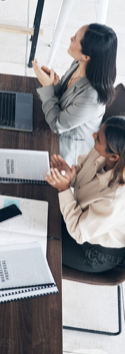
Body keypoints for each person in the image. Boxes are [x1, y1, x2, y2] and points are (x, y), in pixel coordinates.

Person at [46, 116, 125, 273]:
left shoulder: (115, 199)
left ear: (114, 156)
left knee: (39, 245)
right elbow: (81, 174)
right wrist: (69, 175)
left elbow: (79, 231)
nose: (93, 135)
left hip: (94, 250)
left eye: (98, 139)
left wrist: (64, 189)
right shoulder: (101, 152)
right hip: (79, 219)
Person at [33, 23, 117, 165]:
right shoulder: (79, 64)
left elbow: (57, 125)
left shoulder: (91, 98)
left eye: (75, 39)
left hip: (66, 150)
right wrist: (54, 83)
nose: (71, 38)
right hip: (54, 124)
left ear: (86, 56)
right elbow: (65, 98)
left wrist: (47, 86)